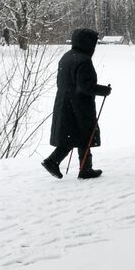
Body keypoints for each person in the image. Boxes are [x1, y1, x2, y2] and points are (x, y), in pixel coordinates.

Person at [42, 28, 112, 179]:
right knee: (82, 134)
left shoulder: (67, 57)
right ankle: (53, 161)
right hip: (79, 106)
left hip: (65, 103)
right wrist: (104, 90)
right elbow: (85, 87)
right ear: (88, 43)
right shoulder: (84, 60)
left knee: (75, 135)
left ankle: (84, 169)